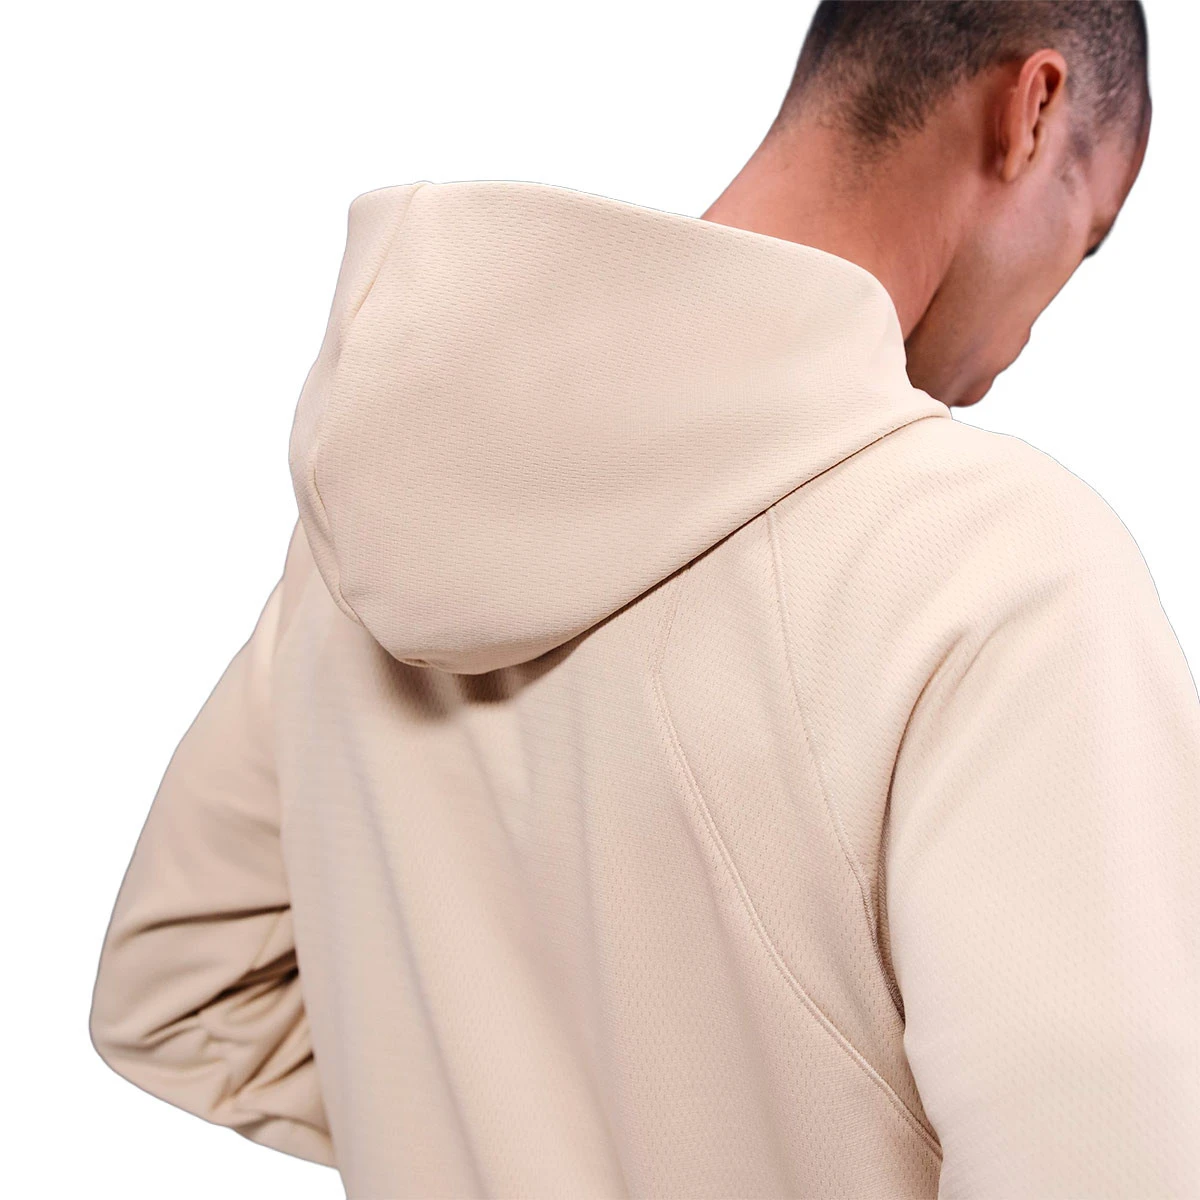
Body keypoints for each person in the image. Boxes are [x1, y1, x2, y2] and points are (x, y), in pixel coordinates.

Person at [89, 1, 1199, 1195]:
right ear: (1030, 113)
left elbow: (181, 987)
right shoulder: (1002, 570)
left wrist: (481, 1122)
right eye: (1087, 238)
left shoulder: (358, 549)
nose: (1031, 330)